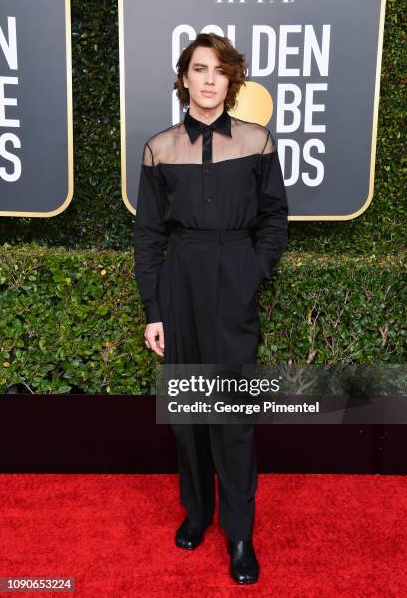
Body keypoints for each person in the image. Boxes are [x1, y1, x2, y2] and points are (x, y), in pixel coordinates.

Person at [133, 33, 288, 585]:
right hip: (180, 281)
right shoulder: (159, 148)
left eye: (219, 71)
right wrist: (155, 309)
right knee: (188, 413)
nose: (208, 80)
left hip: (234, 276)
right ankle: (197, 514)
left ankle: (240, 533)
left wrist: (252, 271)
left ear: (232, 81)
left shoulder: (257, 142)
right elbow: (149, 235)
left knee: (234, 414)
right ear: (184, 77)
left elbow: (274, 219)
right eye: (199, 69)